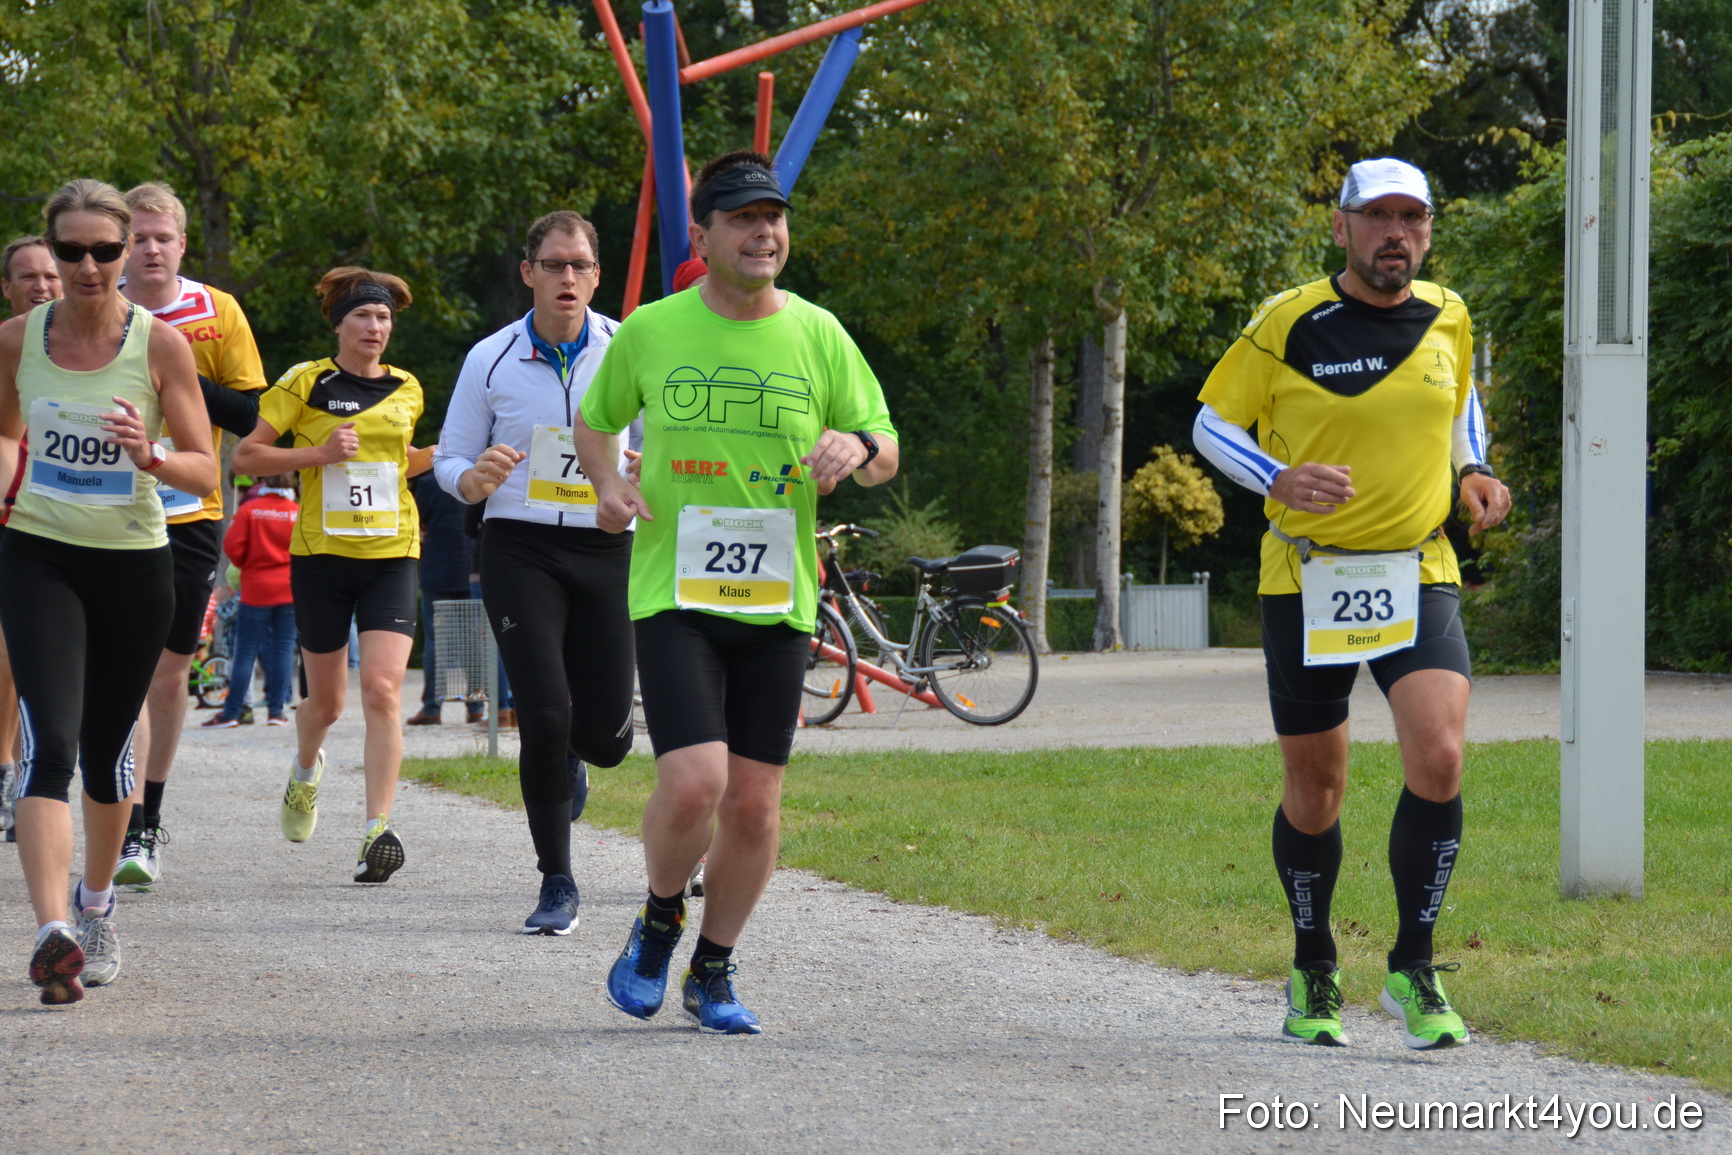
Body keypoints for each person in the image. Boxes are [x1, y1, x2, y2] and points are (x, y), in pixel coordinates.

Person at [1191, 158, 1511, 1050]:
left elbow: (1460, 403)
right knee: (1317, 786)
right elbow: (1211, 422)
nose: (1396, 234)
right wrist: (1276, 475)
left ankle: (1414, 965)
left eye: (1413, 218)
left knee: (1440, 755)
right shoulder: (1288, 321)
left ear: (1429, 230)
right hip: (1308, 574)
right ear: (1342, 227)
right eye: (1378, 217)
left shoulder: (1448, 313)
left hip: (1419, 564)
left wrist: (1473, 467)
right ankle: (1313, 962)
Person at [577, 152, 899, 1034]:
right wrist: (606, 485)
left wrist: (858, 448)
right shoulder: (653, 329)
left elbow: (884, 445)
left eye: (775, 218)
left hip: (777, 600)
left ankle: (712, 968)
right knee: (695, 783)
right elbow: (595, 422)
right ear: (704, 234)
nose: (765, 233)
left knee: (754, 806)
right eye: (744, 219)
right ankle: (658, 918)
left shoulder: (818, 334)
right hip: (675, 591)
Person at [0, 178, 216, 1003]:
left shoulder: (162, 346)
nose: (87, 266)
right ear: (51, 252)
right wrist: (10, 487)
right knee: (48, 742)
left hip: (133, 565)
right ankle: (51, 929)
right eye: (70, 250)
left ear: (126, 251)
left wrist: (150, 455)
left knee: (104, 750)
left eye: (103, 249)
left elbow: (204, 468)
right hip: (40, 558)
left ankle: (95, 907)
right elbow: (5, 433)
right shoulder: (16, 340)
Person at [435, 210, 637, 936]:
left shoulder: (627, 348)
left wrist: (641, 469)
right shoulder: (490, 358)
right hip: (519, 547)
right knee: (544, 715)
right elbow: (450, 457)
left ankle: (580, 756)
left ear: (597, 275)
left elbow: (662, 444)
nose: (567, 277)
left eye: (580, 265)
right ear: (529, 273)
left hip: (607, 547)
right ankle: (557, 879)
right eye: (553, 264)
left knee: (607, 739)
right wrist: (472, 480)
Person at [232, 267, 423, 885]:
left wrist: (454, 458)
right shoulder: (305, 381)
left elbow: (398, 464)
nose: (375, 326)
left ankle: (377, 829)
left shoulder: (407, 388)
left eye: (384, 317)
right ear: (339, 324)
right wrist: (317, 454)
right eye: (363, 315)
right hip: (322, 559)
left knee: (384, 690)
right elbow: (246, 455)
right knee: (328, 704)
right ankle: (306, 769)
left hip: (393, 553)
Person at [113, 182, 267, 891]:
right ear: (122, 246)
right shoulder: (96, 305)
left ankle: (148, 815)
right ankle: (122, 815)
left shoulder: (216, 311)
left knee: (168, 673)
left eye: (162, 238)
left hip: (188, 509)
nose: (150, 249)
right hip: (104, 505)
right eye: (138, 238)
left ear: (181, 244)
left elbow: (253, 415)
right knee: (123, 666)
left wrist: (173, 370)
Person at [0, 236, 63, 840]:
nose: (42, 285)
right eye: (29, 277)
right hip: (8, 509)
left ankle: (27, 778)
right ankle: (9, 771)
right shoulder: (5, 345)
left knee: (34, 657)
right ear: (8, 287)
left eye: (50, 275)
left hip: (62, 516)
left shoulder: (84, 350)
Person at [203, 473, 298, 729]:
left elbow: (232, 546)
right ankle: (277, 711)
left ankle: (232, 712)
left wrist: (248, 563)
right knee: (283, 650)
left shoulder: (250, 509)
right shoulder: (296, 511)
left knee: (245, 651)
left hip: (256, 587)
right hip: (289, 588)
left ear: (264, 480)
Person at [405, 473, 483, 726]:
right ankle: (476, 706)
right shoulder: (481, 477)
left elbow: (418, 521)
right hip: (471, 565)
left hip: (437, 568)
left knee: (435, 642)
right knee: (474, 640)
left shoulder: (429, 483)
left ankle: (432, 707)